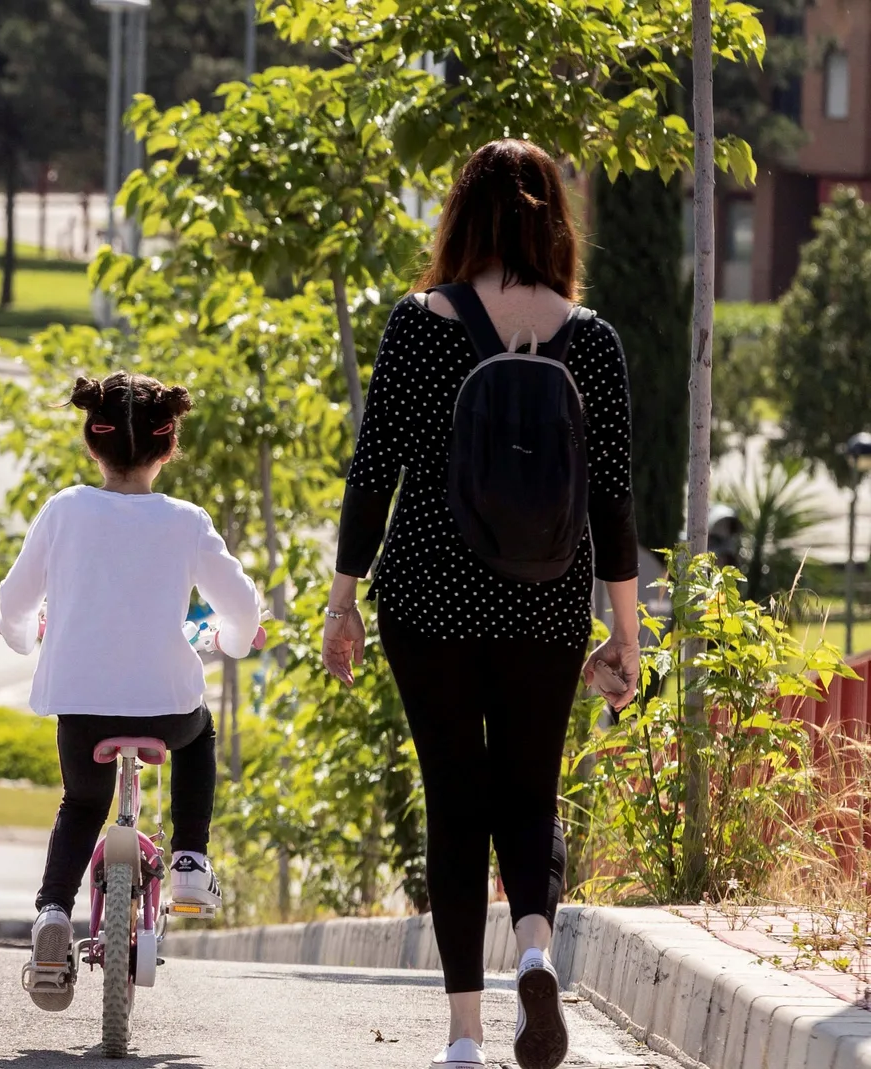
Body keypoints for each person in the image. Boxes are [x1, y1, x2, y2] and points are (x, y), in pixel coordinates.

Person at [322, 139, 642, 1069]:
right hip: (546, 603)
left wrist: (343, 602)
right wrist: (624, 632)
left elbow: (371, 473)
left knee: (454, 801)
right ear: (556, 219)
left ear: (461, 216)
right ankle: (536, 947)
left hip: (426, 593)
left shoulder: (417, 323)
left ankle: (463, 1036)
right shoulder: (594, 337)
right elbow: (614, 501)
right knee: (529, 791)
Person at [0, 372, 263, 1012]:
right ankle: (192, 860)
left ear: (93, 443)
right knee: (202, 735)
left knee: (81, 805)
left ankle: (52, 912)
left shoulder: (64, 510)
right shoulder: (186, 521)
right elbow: (242, 609)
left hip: (83, 709)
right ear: (169, 448)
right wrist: (230, 640)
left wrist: (25, 639)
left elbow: (13, 602)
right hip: (166, 710)